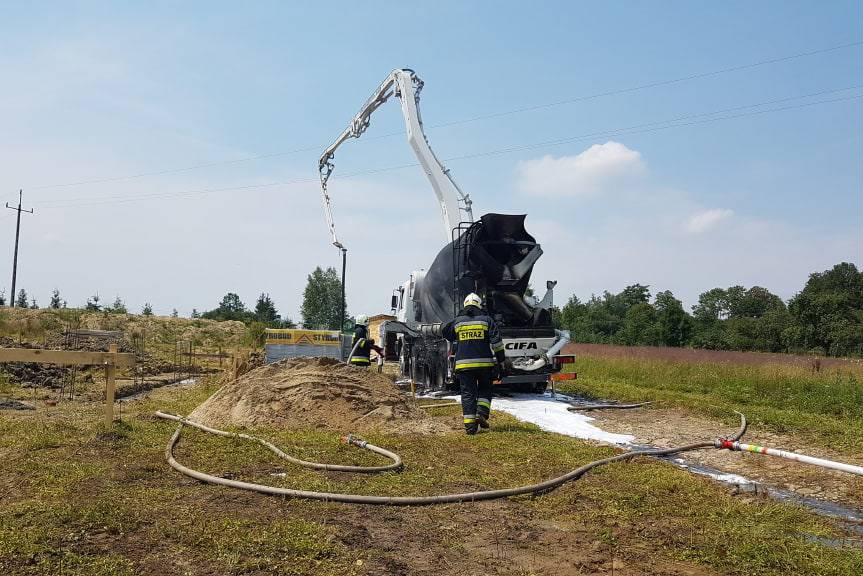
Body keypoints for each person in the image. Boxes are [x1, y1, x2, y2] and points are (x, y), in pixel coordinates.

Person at [442, 293, 505, 435]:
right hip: (484, 365)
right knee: (485, 389)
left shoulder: (458, 322)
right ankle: (481, 413)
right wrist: (501, 362)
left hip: (464, 367)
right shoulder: (487, 320)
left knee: (468, 394)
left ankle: (470, 428)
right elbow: (497, 344)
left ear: (465, 305)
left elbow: (445, 332)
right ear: (479, 305)